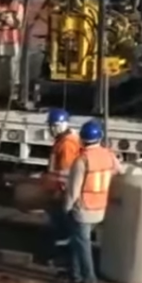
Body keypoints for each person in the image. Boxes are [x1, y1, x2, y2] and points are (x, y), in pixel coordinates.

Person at [63, 120, 121, 283]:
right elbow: (119, 170)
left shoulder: (82, 161)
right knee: (78, 241)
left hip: (83, 210)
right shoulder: (108, 155)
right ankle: (75, 275)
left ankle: (89, 280)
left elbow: (73, 191)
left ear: (81, 139)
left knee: (83, 246)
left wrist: (66, 208)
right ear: (100, 137)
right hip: (100, 208)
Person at [43, 109, 82, 255]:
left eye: (52, 126)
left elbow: (65, 173)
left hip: (63, 190)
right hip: (65, 188)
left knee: (62, 224)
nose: (50, 129)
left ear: (58, 126)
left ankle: (62, 254)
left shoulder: (66, 144)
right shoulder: (66, 139)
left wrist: (57, 192)